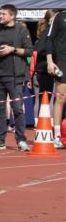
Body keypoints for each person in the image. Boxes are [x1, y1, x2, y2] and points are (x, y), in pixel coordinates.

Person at [0, 4, 32, 152]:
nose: (0, 16)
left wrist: (12, 49)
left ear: (12, 16)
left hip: (15, 77)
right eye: (0, 13)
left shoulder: (21, 30)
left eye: (3, 14)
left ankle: (21, 140)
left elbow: (29, 51)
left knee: (18, 109)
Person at [45, 8, 66, 149]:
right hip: (63, 61)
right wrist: (49, 61)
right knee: (61, 98)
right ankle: (57, 136)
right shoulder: (60, 16)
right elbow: (49, 39)